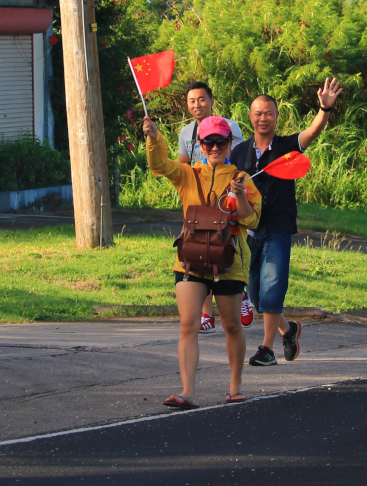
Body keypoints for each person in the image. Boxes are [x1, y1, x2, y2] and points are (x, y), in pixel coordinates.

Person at [144, 115, 262, 408]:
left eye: (221, 141)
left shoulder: (241, 178)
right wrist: (153, 138)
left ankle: (235, 387)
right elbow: (159, 166)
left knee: (232, 325)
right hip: (191, 259)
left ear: (229, 143)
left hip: (229, 260)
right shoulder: (188, 174)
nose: (215, 147)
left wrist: (241, 196)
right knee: (188, 324)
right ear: (199, 144)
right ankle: (187, 392)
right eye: (208, 141)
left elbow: (252, 218)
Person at [231, 79, 343, 366]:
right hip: (249, 230)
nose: (263, 118)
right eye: (258, 113)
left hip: (278, 227)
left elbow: (312, 131)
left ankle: (266, 349)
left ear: (277, 116)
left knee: (273, 285)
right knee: (257, 296)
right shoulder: (239, 152)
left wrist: (324, 109)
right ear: (250, 117)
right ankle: (288, 330)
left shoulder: (287, 146)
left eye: (269, 112)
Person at [177, 81, 253, 334]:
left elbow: (239, 157)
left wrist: (233, 188)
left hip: (226, 194)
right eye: (191, 100)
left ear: (211, 100)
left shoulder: (230, 126)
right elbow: (182, 166)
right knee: (201, 248)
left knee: (225, 247)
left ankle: (240, 294)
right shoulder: (186, 132)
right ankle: (206, 314)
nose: (196, 104)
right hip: (199, 201)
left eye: (201, 99)